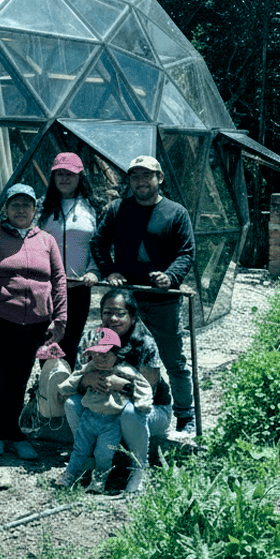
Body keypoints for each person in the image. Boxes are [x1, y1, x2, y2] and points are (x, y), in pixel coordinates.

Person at [89, 154, 196, 434]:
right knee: (120, 354)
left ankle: (186, 416)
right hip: (126, 301)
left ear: (159, 178)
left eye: (146, 175)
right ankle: (118, 409)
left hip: (162, 301)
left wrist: (170, 276)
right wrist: (109, 271)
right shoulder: (117, 210)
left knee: (173, 359)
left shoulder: (176, 213)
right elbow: (98, 243)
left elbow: (186, 253)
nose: (140, 181)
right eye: (135, 176)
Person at [0, 183, 67, 460]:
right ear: (7, 209)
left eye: (26, 205)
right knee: (4, 376)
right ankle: (1, 434)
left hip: (36, 322)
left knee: (20, 377)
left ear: (35, 209)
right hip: (1, 318)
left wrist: (60, 318)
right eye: (15, 205)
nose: (21, 210)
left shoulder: (46, 240)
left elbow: (58, 279)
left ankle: (10, 432)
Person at [63, 288, 173, 494]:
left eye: (120, 313)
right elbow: (77, 377)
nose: (112, 318)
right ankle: (91, 461)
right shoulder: (92, 338)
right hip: (105, 408)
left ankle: (139, 469)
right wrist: (87, 379)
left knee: (130, 412)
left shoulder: (144, 343)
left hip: (152, 411)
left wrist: (120, 384)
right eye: (107, 312)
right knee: (72, 404)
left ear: (132, 316)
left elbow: (149, 391)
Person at [56, 327, 153, 493]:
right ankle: (70, 474)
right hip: (89, 417)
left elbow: (143, 385)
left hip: (111, 422)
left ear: (116, 354)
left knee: (104, 453)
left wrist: (143, 403)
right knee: (79, 448)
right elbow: (75, 377)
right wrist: (64, 389)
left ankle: (100, 479)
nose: (100, 358)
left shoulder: (124, 370)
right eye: (96, 354)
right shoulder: (90, 368)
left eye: (106, 354)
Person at [38, 152, 101, 369]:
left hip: (78, 288)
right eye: (60, 174)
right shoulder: (42, 208)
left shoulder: (94, 208)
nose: (65, 178)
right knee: (45, 341)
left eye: (70, 174)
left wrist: (94, 271)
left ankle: (65, 390)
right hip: (46, 288)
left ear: (80, 177)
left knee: (71, 341)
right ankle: (45, 389)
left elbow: (99, 245)